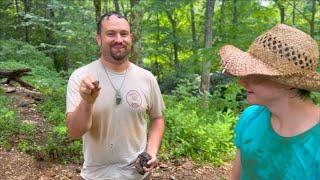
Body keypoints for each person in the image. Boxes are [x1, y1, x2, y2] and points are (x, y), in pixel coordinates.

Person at [66, 12, 165, 180]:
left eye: (124, 34)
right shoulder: (82, 77)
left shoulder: (146, 77)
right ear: (99, 38)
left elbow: (157, 118)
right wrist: (87, 102)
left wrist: (151, 151)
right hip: (95, 175)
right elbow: (75, 132)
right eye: (111, 33)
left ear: (131, 38)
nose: (119, 39)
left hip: (138, 176)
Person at [219, 24, 320, 179]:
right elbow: (235, 176)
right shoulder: (250, 117)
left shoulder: (315, 143)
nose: (242, 82)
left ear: (289, 82)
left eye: (255, 74)